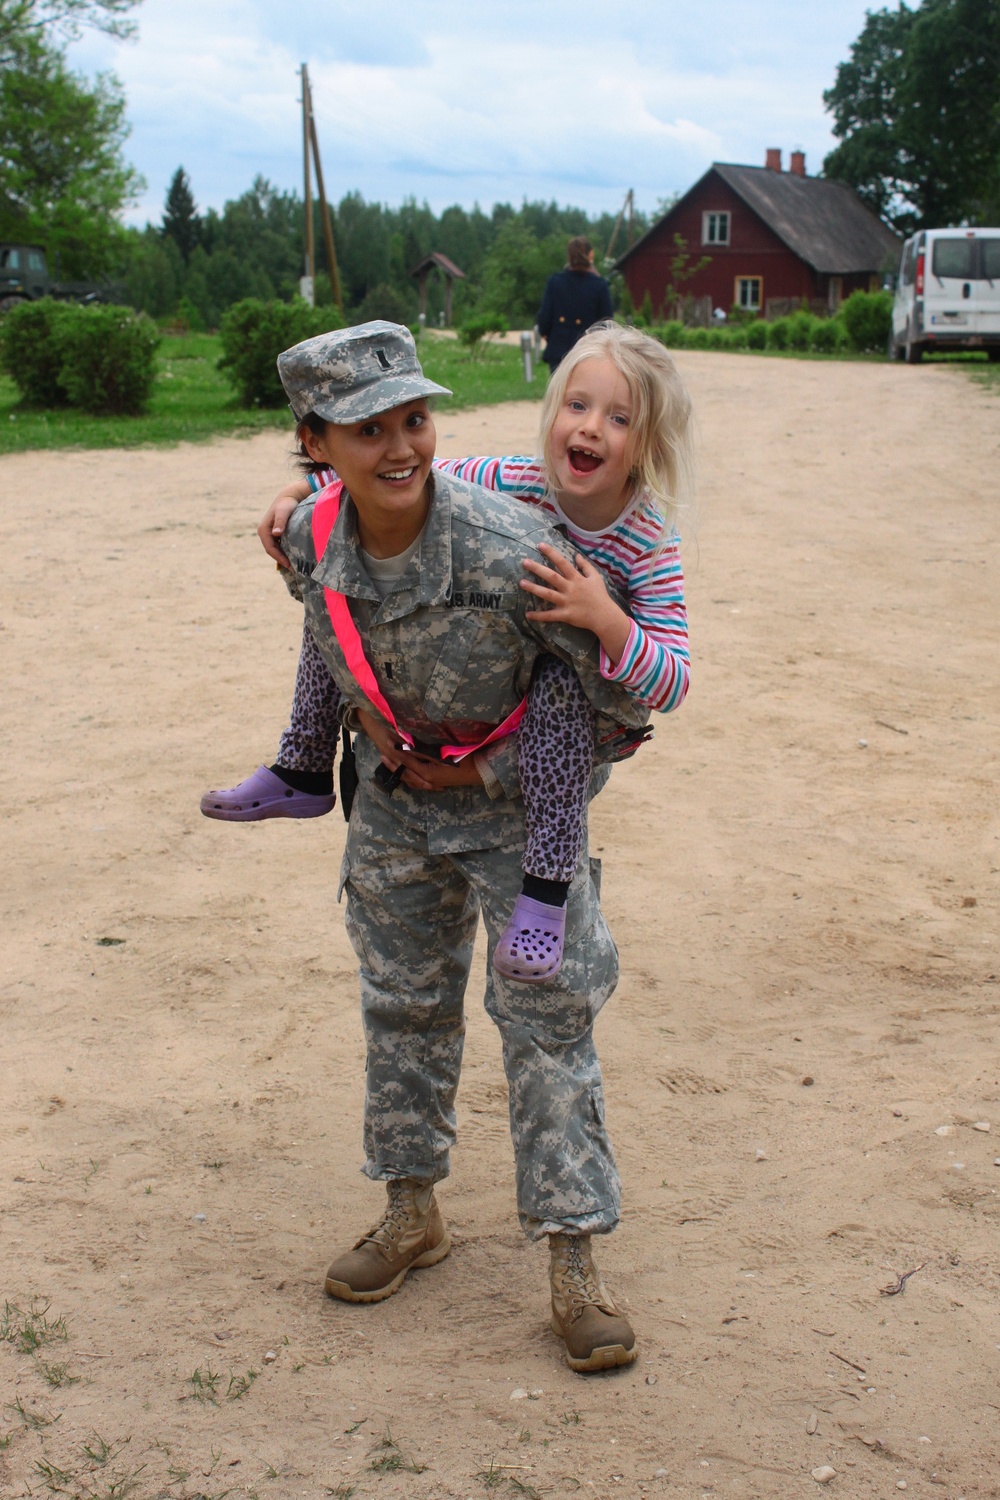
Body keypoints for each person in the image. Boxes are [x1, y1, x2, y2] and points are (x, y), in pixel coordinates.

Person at [260, 319, 651, 1372]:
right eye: (366, 429)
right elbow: (326, 630)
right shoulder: (308, 538)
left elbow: (609, 707)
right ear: (316, 442)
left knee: (547, 1025)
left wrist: (488, 773)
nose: (399, 449)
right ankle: (410, 1211)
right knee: (402, 1007)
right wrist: (367, 740)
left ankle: (573, 1262)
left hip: (520, 825)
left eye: (415, 421)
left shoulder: (513, 546)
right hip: (394, 809)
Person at [203, 322, 692, 987]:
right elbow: (406, 481)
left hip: (575, 708)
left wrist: (605, 618)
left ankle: (544, 892)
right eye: (577, 406)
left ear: (647, 445)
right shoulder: (509, 477)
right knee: (337, 588)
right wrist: (302, 494)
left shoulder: (647, 541)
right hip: (490, 680)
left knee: (558, 676)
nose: (590, 429)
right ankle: (305, 763)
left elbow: (672, 682)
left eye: (619, 418)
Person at [536, 236, 613, 370]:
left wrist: (553, 337)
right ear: (591, 255)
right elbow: (607, 322)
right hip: (589, 352)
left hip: (559, 349)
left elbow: (544, 318)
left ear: (569, 256)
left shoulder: (555, 282)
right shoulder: (599, 285)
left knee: (560, 390)